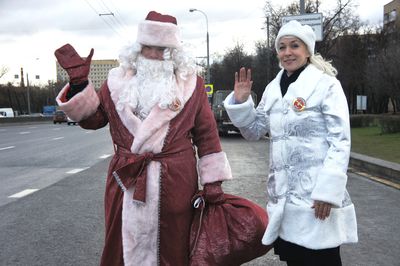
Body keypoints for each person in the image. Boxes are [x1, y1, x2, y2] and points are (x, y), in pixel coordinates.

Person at [54, 11, 232, 266]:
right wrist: (81, 84)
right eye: (150, 48)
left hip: (176, 182)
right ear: (138, 49)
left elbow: (206, 134)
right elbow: (93, 120)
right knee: (121, 243)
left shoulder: (192, 86)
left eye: (164, 49)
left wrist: (213, 182)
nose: (156, 56)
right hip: (126, 178)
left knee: (175, 243)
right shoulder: (115, 83)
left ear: (175, 53)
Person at [224, 20, 358, 266]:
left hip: (316, 198)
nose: (287, 53)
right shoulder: (274, 89)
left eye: (294, 46)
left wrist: (328, 192)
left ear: (307, 50)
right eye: (282, 47)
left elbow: (340, 141)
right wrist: (242, 103)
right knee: (295, 260)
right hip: (284, 200)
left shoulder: (326, 85)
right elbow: (254, 131)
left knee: (322, 259)